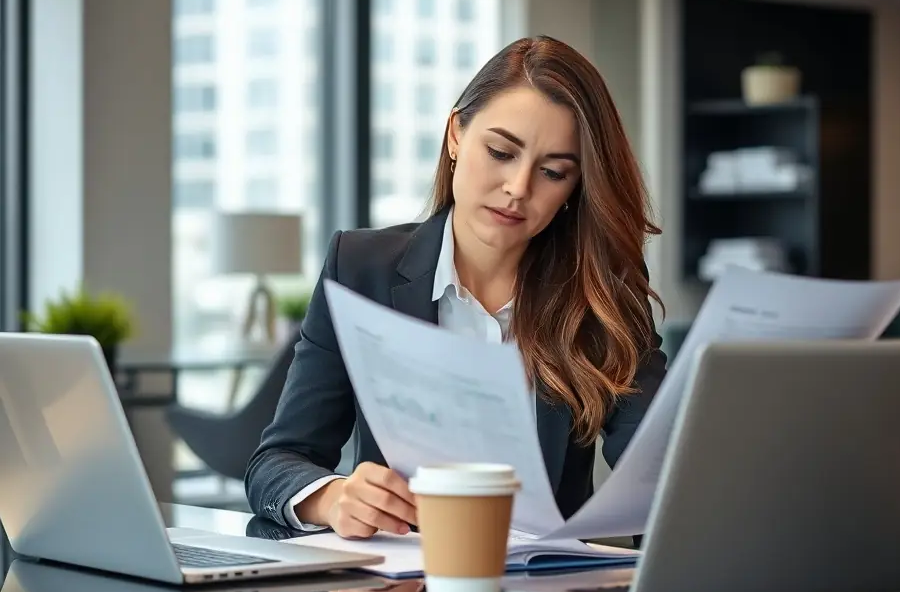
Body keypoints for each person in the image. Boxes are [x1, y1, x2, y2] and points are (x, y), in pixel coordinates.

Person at [244, 35, 667, 540]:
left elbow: (658, 477)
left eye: (553, 172)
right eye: (501, 152)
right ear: (455, 134)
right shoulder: (358, 270)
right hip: (395, 591)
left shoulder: (601, 297)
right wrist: (333, 498)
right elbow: (277, 461)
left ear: (575, 186)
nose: (518, 188)